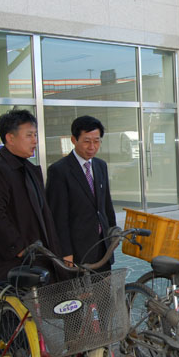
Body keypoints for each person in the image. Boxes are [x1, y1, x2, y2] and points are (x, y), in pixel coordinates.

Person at [0, 109, 66, 312]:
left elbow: (44, 216)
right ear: (10, 137)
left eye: (35, 135)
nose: (34, 140)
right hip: (12, 265)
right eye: (29, 135)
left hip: (36, 259)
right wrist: (17, 247)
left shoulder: (28, 168)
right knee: (14, 328)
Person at [46, 116, 116, 272]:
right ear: (73, 140)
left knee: (104, 292)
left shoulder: (100, 165)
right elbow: (58, 217)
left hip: (102, 246)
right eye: (86, 141)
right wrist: (65, 252)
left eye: (97, 141)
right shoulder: (59, 171)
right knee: (81, 295)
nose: (92, 146)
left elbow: (106, 205)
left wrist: (112, 234)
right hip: (77, 250)